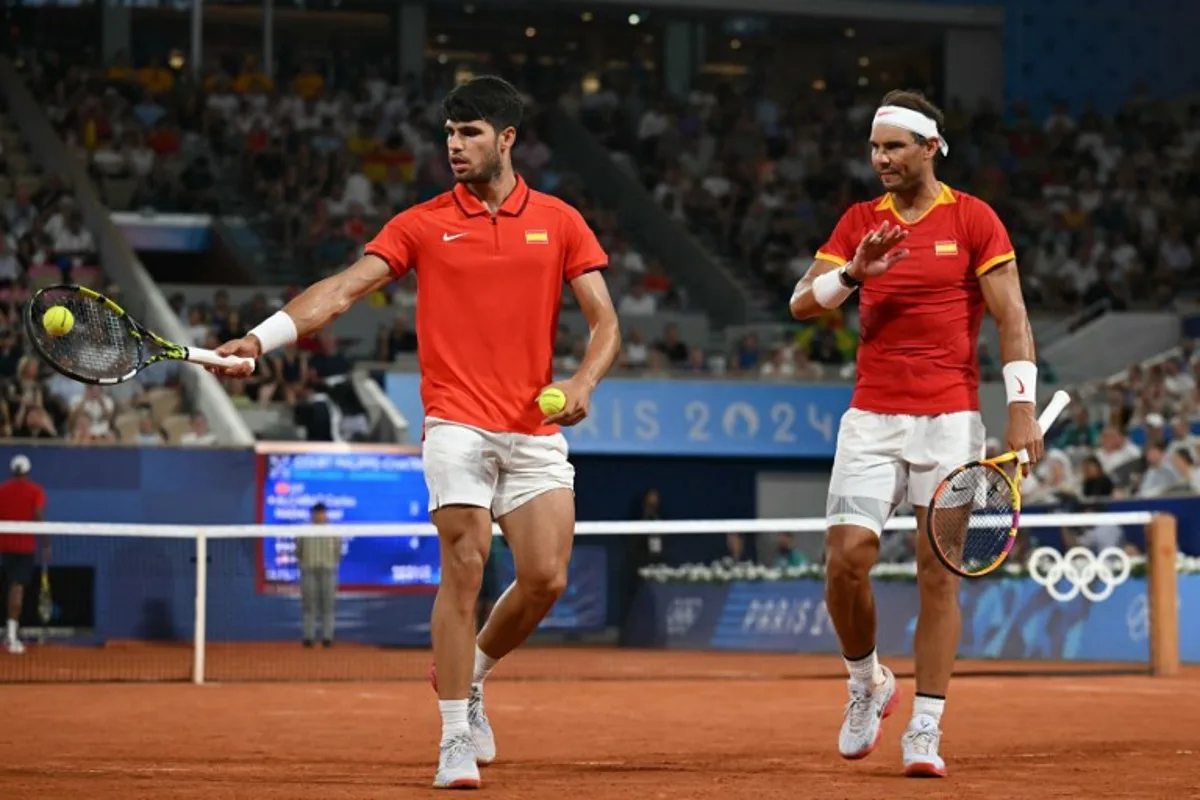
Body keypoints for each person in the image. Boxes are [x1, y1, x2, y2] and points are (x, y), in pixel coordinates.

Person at [211, 75, 620, 790]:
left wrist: (583, 383)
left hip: (533, 425)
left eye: (470, 133)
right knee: (464, 566)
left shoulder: (559, 220)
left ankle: (474, 674)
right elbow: (341, 291)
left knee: (546, 578)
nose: (455, 146)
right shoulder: (423, 223)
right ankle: (454, 735)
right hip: (455, 420)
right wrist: (260, 338)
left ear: (507, 139)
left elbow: (606, 323)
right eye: (450, 134)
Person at [788, 89, 1043, 778]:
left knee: (939, 578)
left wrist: (1021, 406)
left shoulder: (976, 220)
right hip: (871, 418)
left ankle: (925, 727)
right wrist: (852, 273)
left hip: (951, 420)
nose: (881, 160)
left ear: (931, 148)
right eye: (875, 148)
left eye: (894, 147)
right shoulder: (858, 223)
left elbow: (1012, 316)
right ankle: (867, 680)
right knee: (845, 561)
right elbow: (801, 303)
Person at [0, 455, 49, 655]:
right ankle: (11, 637)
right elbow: (38, 515)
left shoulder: (2, 490)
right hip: (23, 548)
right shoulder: (36, 491)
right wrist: (45, 542)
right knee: (16, 589)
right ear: (28, 472)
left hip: (3, 545)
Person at [297, 502, 341, 648]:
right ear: (313, 514)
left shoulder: (334, 531)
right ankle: (308, 637)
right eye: (317, 513)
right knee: (309, 605)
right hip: (309, 571)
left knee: (328, 605)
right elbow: (298, 550)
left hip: (328, 571)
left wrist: (331, 564)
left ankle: (327, 638)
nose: (320, 516)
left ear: (326, 514)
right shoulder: (304, 530)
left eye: (322, 513)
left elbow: (338, 551)